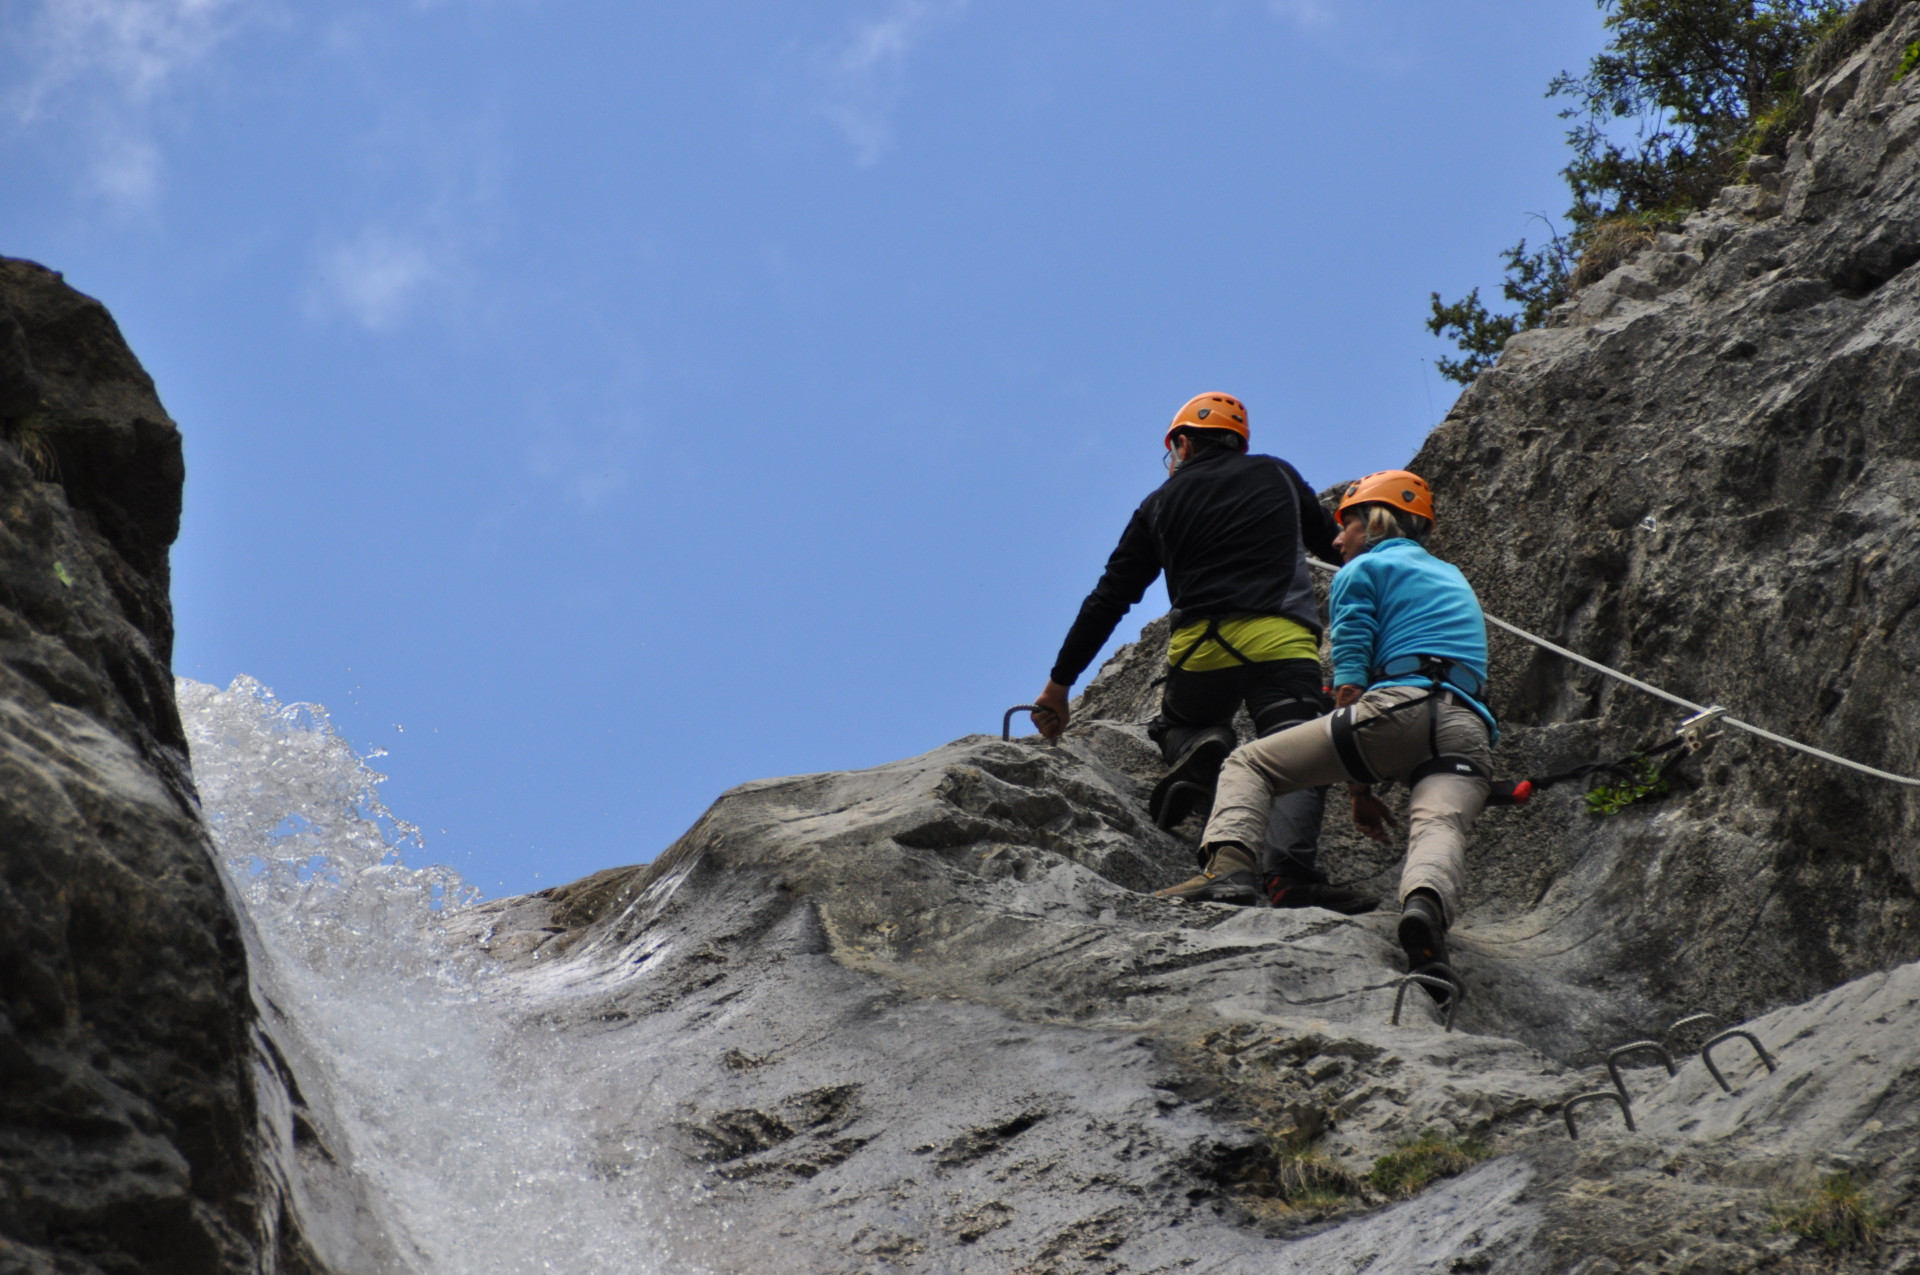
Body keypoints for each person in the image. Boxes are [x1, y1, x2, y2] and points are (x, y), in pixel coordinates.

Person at [1028, 392, 1374, 913]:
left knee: (1179, 725)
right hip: (1280, 644)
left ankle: (1202, 746)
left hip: (1201, 652)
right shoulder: (1276, 474)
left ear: (1184, 444)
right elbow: (1341, 550)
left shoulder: (1157, 504)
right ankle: (1290, 878)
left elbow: (1110, 598)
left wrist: (1059, 684)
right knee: (1298, 750)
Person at [1186, 469, 1496, 984]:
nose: (1335, 541)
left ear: (1374, 522)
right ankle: (1424, 913)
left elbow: (1350, 679)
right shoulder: (1453, 576)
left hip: (1397, 706)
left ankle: (1229, 871)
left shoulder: (1361, 571)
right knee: (1439, 825)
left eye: (1344, 525)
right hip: (1466, 727)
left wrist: (1357, 789)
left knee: (1249, 763)